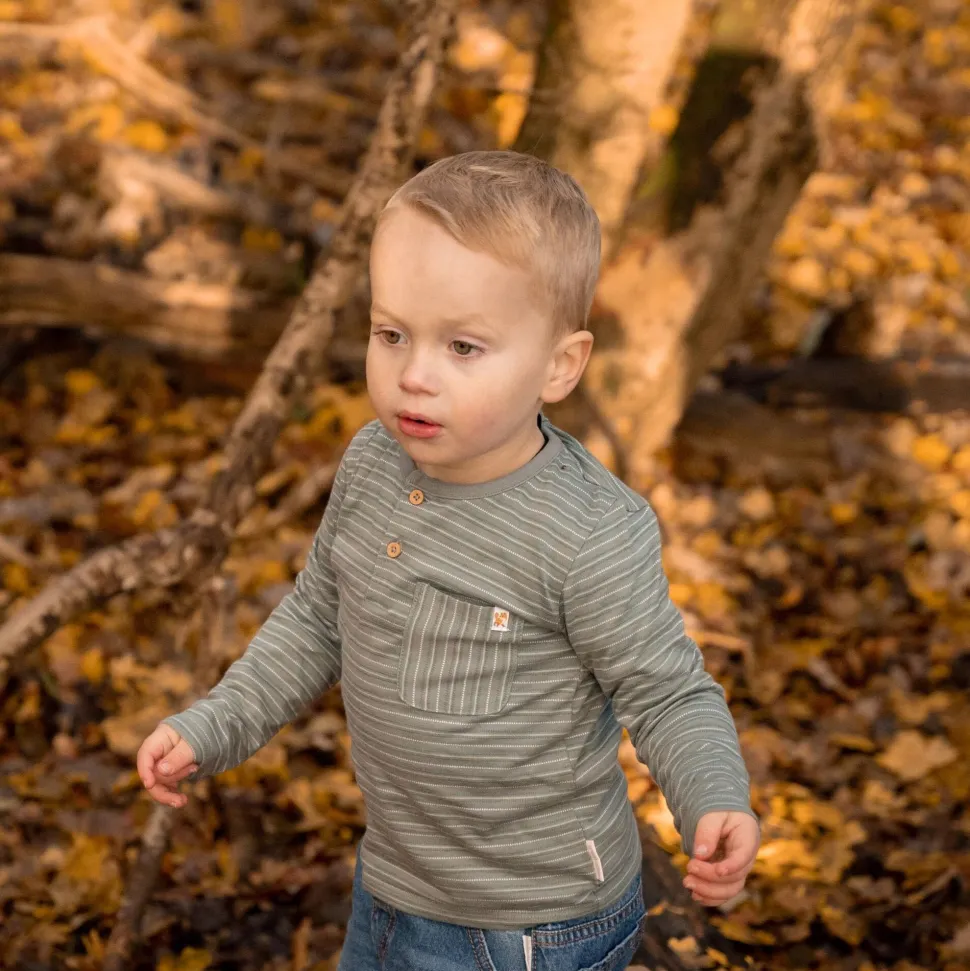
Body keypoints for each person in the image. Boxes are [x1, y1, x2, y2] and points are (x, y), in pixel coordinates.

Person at [136, 151, 760, 971]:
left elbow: (667, 690)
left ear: (560, 365)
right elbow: (319, 617)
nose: (414, 375)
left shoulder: (585, 530)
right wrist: (214, 725)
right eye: (391, 334)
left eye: (464, 346)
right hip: (395, 882)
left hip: (529, 924)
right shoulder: (372, 464)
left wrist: (714, 796)